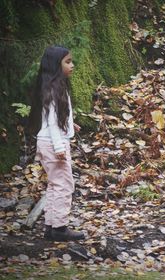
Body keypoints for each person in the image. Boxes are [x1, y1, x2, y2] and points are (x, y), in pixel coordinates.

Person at [28, 46, 85, 241]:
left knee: (54, 184)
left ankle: (51, 226)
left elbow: (51, 118)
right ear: (55, 65)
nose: (72, 65)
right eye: (68, 62)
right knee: (64, 185)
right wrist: (59, 147)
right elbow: (52, 122)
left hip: (47, 141)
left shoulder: (52, 87)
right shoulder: (54, 89)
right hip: (54, 144)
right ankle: (60, 228)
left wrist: (70, 124)